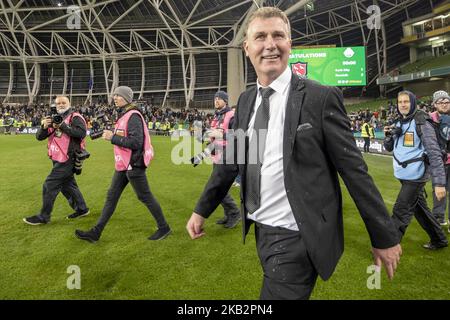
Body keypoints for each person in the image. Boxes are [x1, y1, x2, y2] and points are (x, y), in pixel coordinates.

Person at [186, 7, 401, 300]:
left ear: (290, 43)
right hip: (261, 230)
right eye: (260, 36)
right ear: (247, 47)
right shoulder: (247, 100)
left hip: (297, 236)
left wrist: (384, 236)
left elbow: (354, 171)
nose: (270, 44)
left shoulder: (320, 98)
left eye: (278, 35)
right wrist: (202, 209)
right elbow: (232, 160)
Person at [75, 86, 171, 243]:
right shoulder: (125, 114)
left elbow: (136, 142)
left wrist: (111, 137)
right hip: (124, 165)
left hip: (133, 164)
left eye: (118, 95)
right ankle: (96, 233)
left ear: (126, 98)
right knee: (111, 197)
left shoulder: (133, 115)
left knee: (145, 196)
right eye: (114, 95)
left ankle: (164, 227)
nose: (114, 98)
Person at [383, 90, 448, 250]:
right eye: (400, 102)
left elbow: (434, 152)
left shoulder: (422, 121)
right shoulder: (399, 121)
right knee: (421, 211)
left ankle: (389, 246)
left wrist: (439, 183)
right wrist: (389, 137)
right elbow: (389, 147)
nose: (403, 105)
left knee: (401, 209)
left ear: (413, 103)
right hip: (403, 174)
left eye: (406, 101)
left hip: (416, 176)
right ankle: (439, 239)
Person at [23, 96, 90, 225]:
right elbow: (40, 137)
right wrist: (43, 127)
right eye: (58, 103)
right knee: (68, 186)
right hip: (57, 157)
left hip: (68, 157)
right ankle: (82, 209)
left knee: (50, 185)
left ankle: (44, 216)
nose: (60, 104)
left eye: (63, 102)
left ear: (69, 104)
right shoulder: (53, 117)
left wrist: (63, 126)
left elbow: (81, 133)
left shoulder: (75, 117)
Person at [204, 91, 241, 228]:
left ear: (226, 101)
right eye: (215, 99)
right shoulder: (217, 115)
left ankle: (234, 212)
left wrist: (220, 134)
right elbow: (214, 134)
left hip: (227, 155)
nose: (216, 101)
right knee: (220, 187)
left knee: (217, 187)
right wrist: (209, 139)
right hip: (217, 155)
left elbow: (238, 135)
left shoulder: (231, 115)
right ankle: (229, 213)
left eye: (219, 99)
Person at [429, 90, 450, 227]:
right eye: (440, 102)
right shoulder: (429, 119)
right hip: (438, 163)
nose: (444, 104)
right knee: (439, 191)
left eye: (447, 101)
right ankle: (438, 218)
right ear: (435, 104)